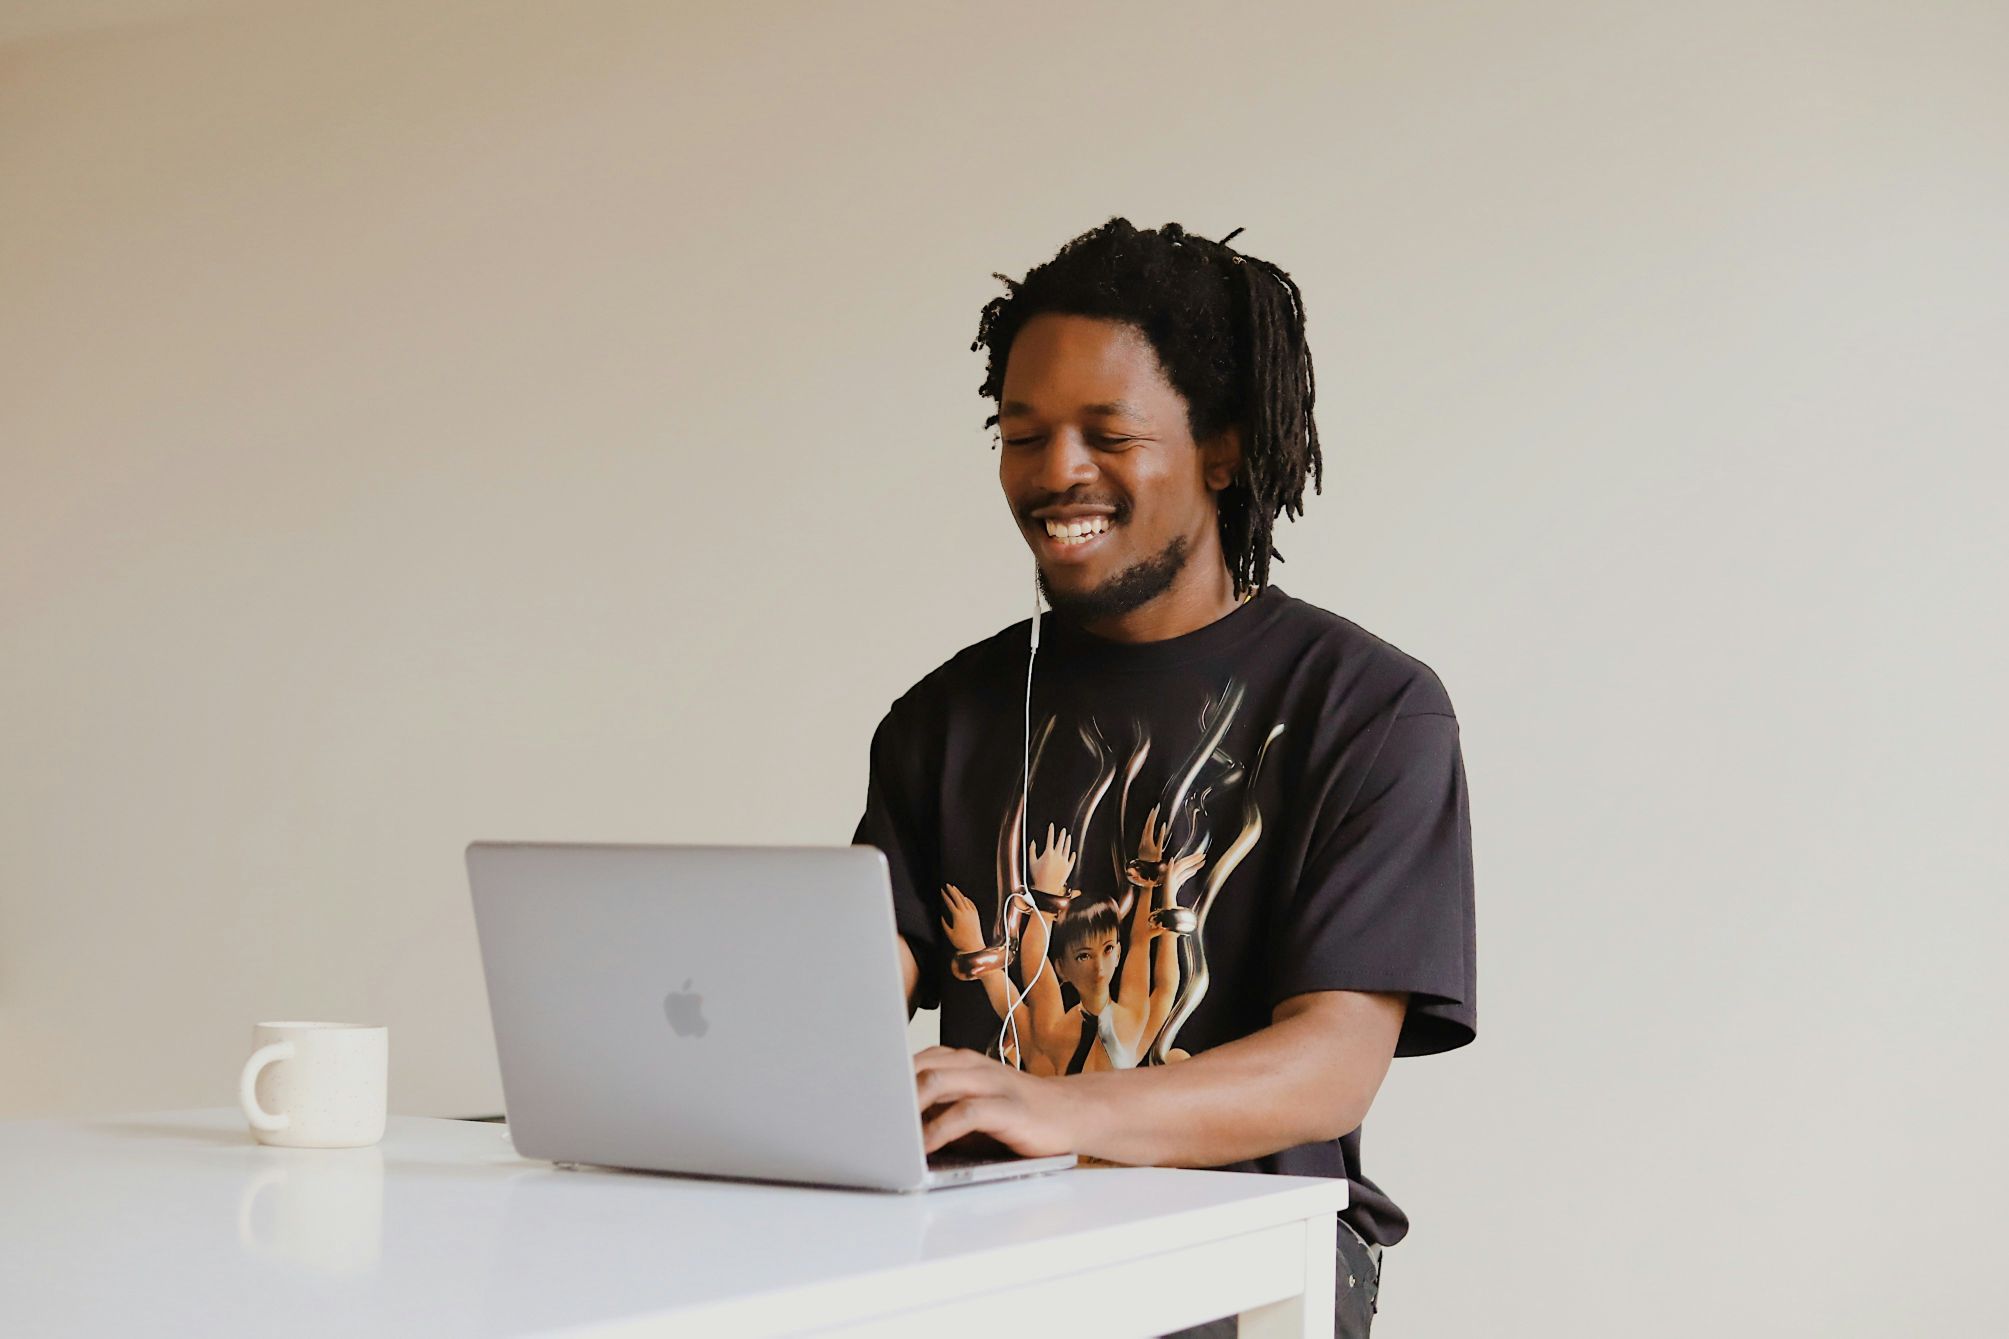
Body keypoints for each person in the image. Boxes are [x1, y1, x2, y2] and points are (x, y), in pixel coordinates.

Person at [852, 217, 1477, 1338]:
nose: (1055, 474)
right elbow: (859, 976)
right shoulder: (939, 719)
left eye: (1107, 432)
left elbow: (1328, 1065)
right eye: (1021, 432)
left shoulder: (1366, 707)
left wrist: (1052, 1107)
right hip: (978, 1256)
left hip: (1237, 1263)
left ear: (1220, 449)